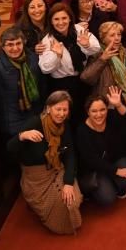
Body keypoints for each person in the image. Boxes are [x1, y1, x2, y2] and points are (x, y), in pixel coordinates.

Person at [8, 90, 81, 234]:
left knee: (72, 201)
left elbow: (70, 154)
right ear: (48, 108)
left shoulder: (65, 125)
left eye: (64, 109)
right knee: (62, 207)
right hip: (37, 178)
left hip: (57, 169)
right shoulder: (35, 123)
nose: (61, 114)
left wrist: (68, 182)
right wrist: (22, 136)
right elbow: (9, 148)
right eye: (58, 109)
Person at [0, 31, 45, 140]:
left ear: (23, 43)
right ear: (3, 47)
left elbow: (42, 85)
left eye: (18, 43)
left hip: (35, 115)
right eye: (10, 45)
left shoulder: (32, 58)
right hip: (14, 125)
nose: (15, 48)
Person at [38, 3, 101, 119]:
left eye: (64, 18)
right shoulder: (48, 40)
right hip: (62, 85)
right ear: (51, 21)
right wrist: (57, 56)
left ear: (70, 18)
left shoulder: (79, 29)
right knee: (67, 117)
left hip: (82, 80)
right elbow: (45, 68)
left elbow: (96, 48)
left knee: (84, 114)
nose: (61, 22)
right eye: (56, 19)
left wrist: (87, 45)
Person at [76, 88, 126, 206]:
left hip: (114, 160)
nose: (99, 114)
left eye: (102, 109)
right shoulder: (82, 131)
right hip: (96, 169)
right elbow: (92, 160)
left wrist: (118, 105)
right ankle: (104, 186)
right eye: (94, 111)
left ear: (107, 109)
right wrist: (117, 171)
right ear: (88, 112)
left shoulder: (111, 117)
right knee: (108, 198)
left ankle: (114, 183)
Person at [80, 22, 126, 119]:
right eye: (112, 35)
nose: (117, 38)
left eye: (119, 34)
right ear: (103, 38)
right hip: (107, 103)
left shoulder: (125, 52)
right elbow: (86, 78)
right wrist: (103, 59)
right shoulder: (97, 53)